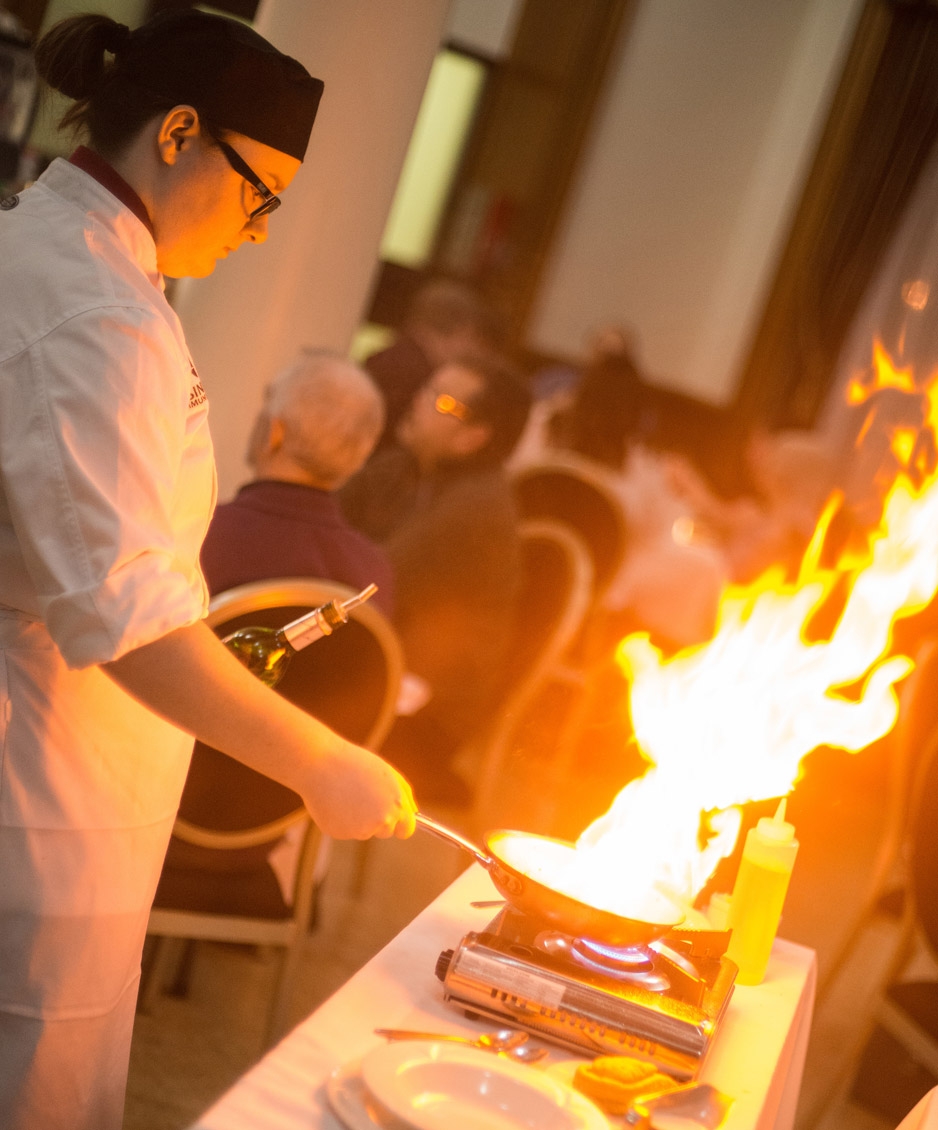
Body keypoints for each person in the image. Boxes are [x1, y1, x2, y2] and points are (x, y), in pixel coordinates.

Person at [0, 11, 415, 1130]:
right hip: (33, 776)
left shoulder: (67, 255)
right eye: (257, 193)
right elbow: (127, 617)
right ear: (178, 132)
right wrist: (317, 758)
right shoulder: (92, 309)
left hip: (71, 758)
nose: (262, 229)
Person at [341, 353, 532, 802]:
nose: (418, 402)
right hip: (379, 677)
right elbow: (324, 520)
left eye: (442, 403)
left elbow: (368, 584)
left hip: (426, 720)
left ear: (474, 437)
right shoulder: (406, 467)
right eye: (429, 388)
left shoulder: (475, 509)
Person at [200, 348, 393, 610]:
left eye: (265, 406)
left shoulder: (202, 533)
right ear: (358, 460)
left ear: (274, 433)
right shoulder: (372, 574)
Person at [365, 276, 501, 447]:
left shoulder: (385, 357)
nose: (475, 352)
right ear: (463, 331)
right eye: (476, 340)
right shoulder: (421, 378)